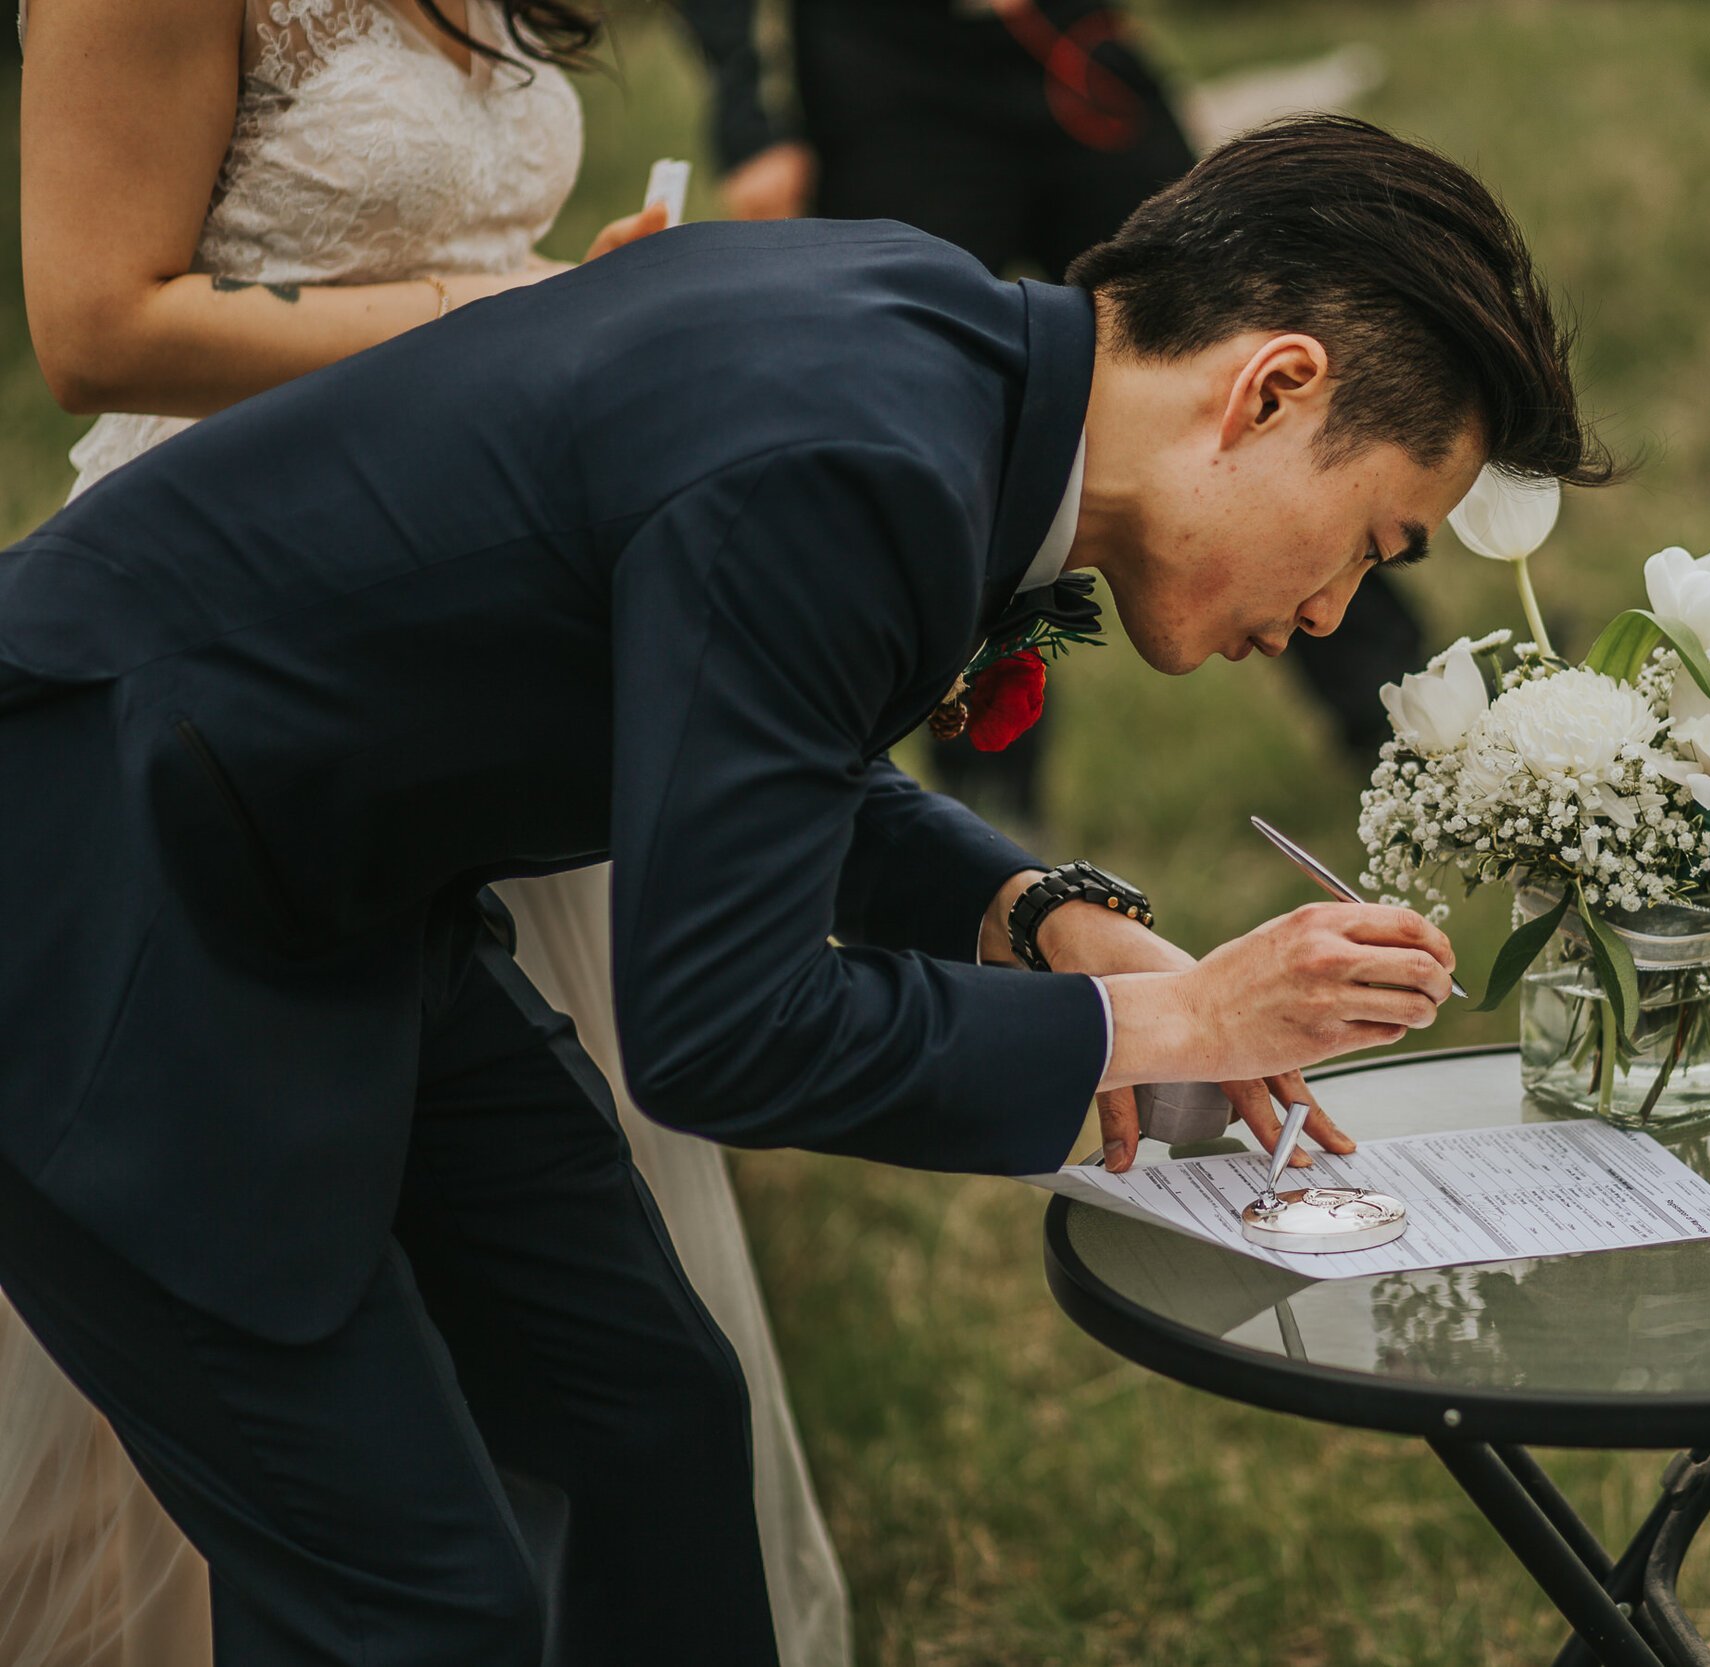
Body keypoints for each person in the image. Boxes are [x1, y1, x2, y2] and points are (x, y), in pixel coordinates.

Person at [0, 115, 1611, 1664]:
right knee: (411, 1605)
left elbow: (740, 741)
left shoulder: (936, 357)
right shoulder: (861, 460)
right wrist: (1174, 1021)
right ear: (1271, 389)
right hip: (106, 885)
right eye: (1372, 540)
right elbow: (722, 1028)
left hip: (341, 875)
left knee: (646, 1421)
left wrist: (1038, 912)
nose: (1335, 610)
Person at [1, 0, 849, 1659]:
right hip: (225, 644)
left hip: (460, 633)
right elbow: (95, 324)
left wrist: (581, 302)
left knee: (605, 1358)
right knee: (275, 1323)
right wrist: (508, 321)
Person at [677, 0, 1428, 833]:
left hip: (1068, 40)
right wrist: (746, 114)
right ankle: (988, 807)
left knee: (1259, 363)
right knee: (936, 430)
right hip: (888, 65)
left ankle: (1400, 722)